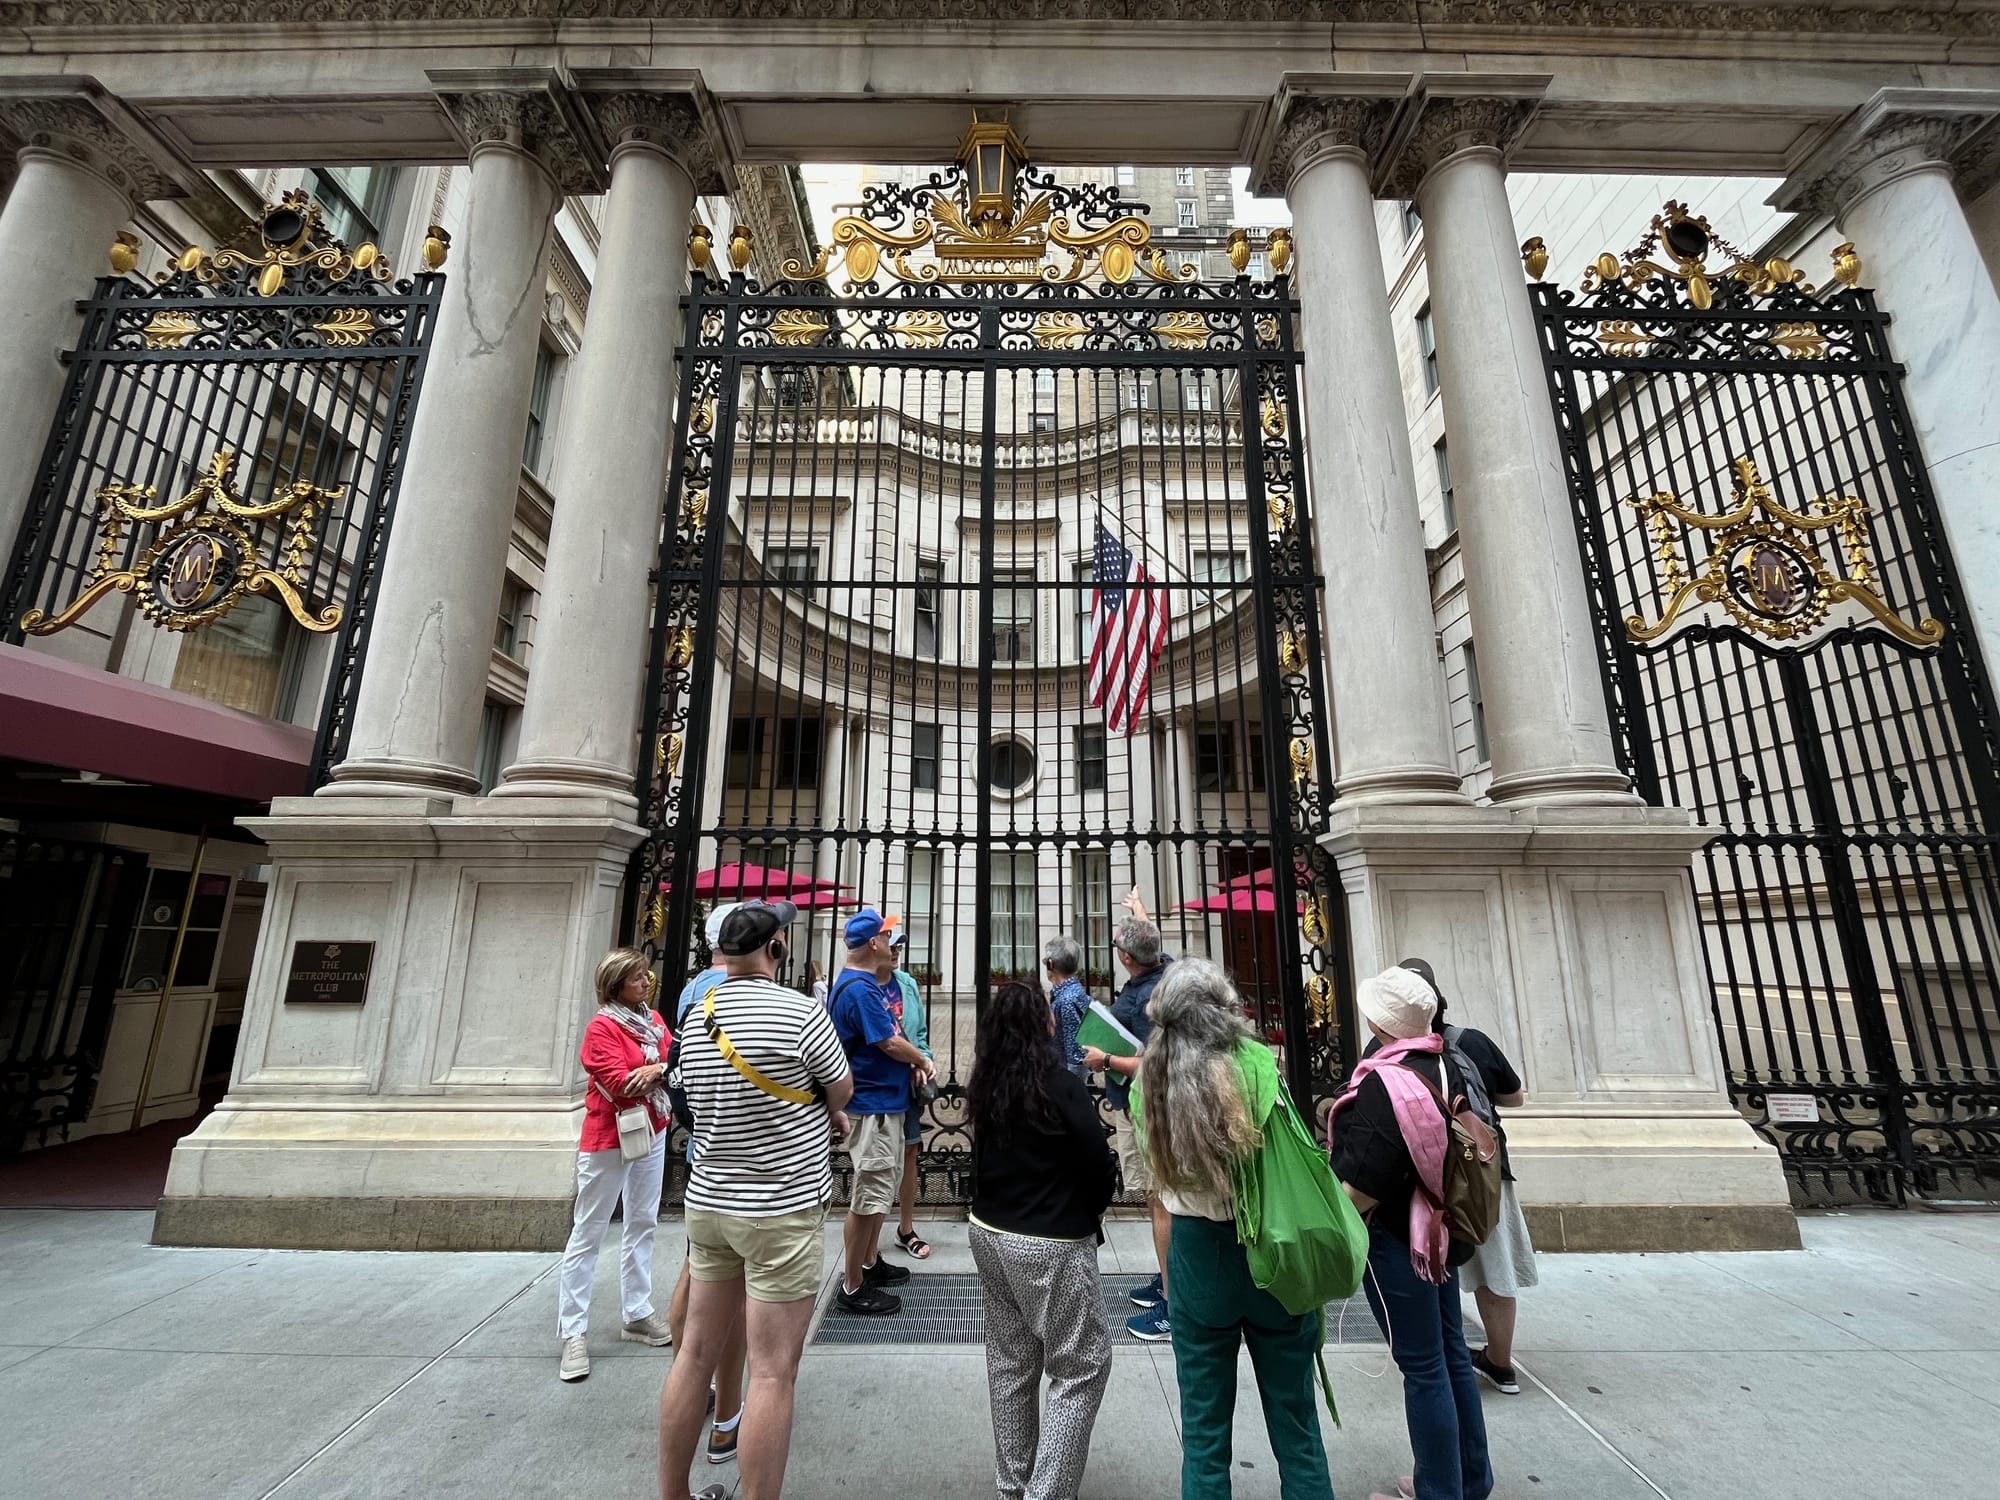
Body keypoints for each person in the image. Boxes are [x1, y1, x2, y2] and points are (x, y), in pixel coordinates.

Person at [657, 899, 854, 1500]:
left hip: (710, 1201)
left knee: (693, 1355)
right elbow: (841, 1089)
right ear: (775, 950)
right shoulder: (801, 1013)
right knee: (771, 1371)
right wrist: (823, 1110)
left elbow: (693, 1092)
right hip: (779, 1209)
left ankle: (673, 1495)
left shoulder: (700, 1014)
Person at [1136, 958, 1335, 1500]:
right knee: (1297, 1427)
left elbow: (1156, 1178)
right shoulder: (1256, 1062)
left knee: (1202, 1433)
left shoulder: (1149, 1074)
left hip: (1198, 1252)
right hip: (1271, 1246)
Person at [1326, 965, 1493, 1500]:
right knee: (1449, 1353)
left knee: (1422, 1366)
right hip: (1443, 1230)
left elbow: (1364, 1184)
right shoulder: (1450, 1064)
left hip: (1401, 1240)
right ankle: (1470, 1479)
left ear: (1381, 1021)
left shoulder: (1385, 1081)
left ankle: (1439, 1489)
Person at [966, 979, 1117, 1500]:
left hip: (989, 1232)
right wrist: (1085, 1211)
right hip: (1050, 1240)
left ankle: (1014, 1482)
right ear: (1042, 1026)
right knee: (1082, 1366)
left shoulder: (986, 1083)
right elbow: (1099, 1164)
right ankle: (1046, 1492)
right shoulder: (1060, 1084)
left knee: (1010, 1362)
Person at [1398, 958, 1534, 1398]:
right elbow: (1513, 1096)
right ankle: (1500, 1361)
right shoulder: (1471, 1040)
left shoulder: (1389, 1049)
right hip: (1483, 1170)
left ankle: (1438, 1353)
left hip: (1421, 1179)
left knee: (1427, 1261)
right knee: (1494, 1265)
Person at [557, 947, 675, 1383]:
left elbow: (673, 1066)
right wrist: (658, 1068)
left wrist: (658, 1069)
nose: (646, 982)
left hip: (654, 1127)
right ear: (614, 986)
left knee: (642, 1221)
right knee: (589, 1231)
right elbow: (620, 1083)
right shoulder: (602, 1028)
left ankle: (637, 1311)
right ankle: (573, 1331)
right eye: (636, 978)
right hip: (611, 1135)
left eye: (645, 975)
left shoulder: (654, 1020)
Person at [665, 903, 748, 1464]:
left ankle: (689, 1379)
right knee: (741, 1300)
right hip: (757, 1170)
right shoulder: (753, 996)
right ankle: (727, 1416)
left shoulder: (692, 992)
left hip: (706, 1157)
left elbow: (680, 1075)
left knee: (695, 1274)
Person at [828, 907, 935, 1315]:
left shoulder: (861, 983)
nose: (891, 943)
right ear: (873, 942)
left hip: (883, 1101)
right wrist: (922, 1062)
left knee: (879, 1190)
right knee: (868, 1194)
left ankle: (869, 1262)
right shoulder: (860, 989)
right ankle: (852, 1285)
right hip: (871, 1104)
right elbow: (888, 1041)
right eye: (887, 936)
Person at [1078, 889, 1173, 1341]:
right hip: (1153, 1105)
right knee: (1161, 1197)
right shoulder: (1168, 971)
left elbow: (1158, 1060)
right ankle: (1169, 1275)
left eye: (1119, 947)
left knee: (1161, 1199)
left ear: (1128, 960)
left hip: (1148, 1108)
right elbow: (1150, 939)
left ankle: (1175, 1302)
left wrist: (1106, 1061)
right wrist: (1139, 912)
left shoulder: (1144, 1000)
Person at [886, 931, 934, 1260]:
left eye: (898, 947)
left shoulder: (907, 983)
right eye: (888, 946)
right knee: (877, 1162)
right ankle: (865, 1244)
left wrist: (924, 1061)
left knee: (909, 1154)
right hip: (879, 1087)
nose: (895, 953)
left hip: (908, 1085)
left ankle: (905, 1228)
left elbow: (919, 1033)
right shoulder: (863, 987)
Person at [1042, 934, 1090, 1079]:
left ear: (1051, 964)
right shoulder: (1074, 992)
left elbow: (1075, 1056)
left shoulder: (1067, 1000)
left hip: (1063, 1080)